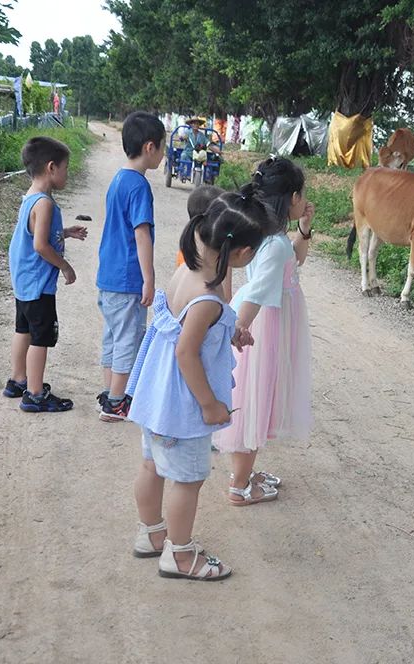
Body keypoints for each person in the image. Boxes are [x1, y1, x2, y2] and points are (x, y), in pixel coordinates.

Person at [127, 190, 273, 580]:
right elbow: (187, 353)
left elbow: (186, 331)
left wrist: (230, 332)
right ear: (241, 254)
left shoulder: (187, 271)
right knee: (187, 480)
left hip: (157, 395)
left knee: (151, 465)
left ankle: (151, 534)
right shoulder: (208, 297)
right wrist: (209, 404)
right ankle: (180, 554)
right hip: (183, 405)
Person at [214, 157, 315, 505]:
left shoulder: (270, 234)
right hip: (265, 325)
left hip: (271, 321)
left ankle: (243, 474)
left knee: (257, 399)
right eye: (300, 194)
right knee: (254, 401)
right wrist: (237, 327)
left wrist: (304, 227)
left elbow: (295, 261)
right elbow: (256, 294)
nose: (304, 199)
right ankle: (239, 486)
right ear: (288, 197)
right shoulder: (274, 243)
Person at [4, 136, 88, 412]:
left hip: (24, 281)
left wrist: (64, 233)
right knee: (41, 338)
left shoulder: (31, 197)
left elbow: (34, 235)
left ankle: (17, 380)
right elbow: (40, 245)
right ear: (51, 168)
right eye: (66, 168)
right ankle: (36, 393)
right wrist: (64, 265)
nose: (67, 173)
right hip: (39, 284)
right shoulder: (45, 204)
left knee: (23, 329)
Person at [95, 111, 166, 422]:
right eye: (163, 148)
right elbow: (141, 235)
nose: (164, 155)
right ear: (150, 147)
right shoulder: (138, 186)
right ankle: (115, 402)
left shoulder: (119, 179)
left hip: (108, 277)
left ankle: (110, 392)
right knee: (128, 339)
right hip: (127, 279)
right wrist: (148, 279)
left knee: (113, 336)